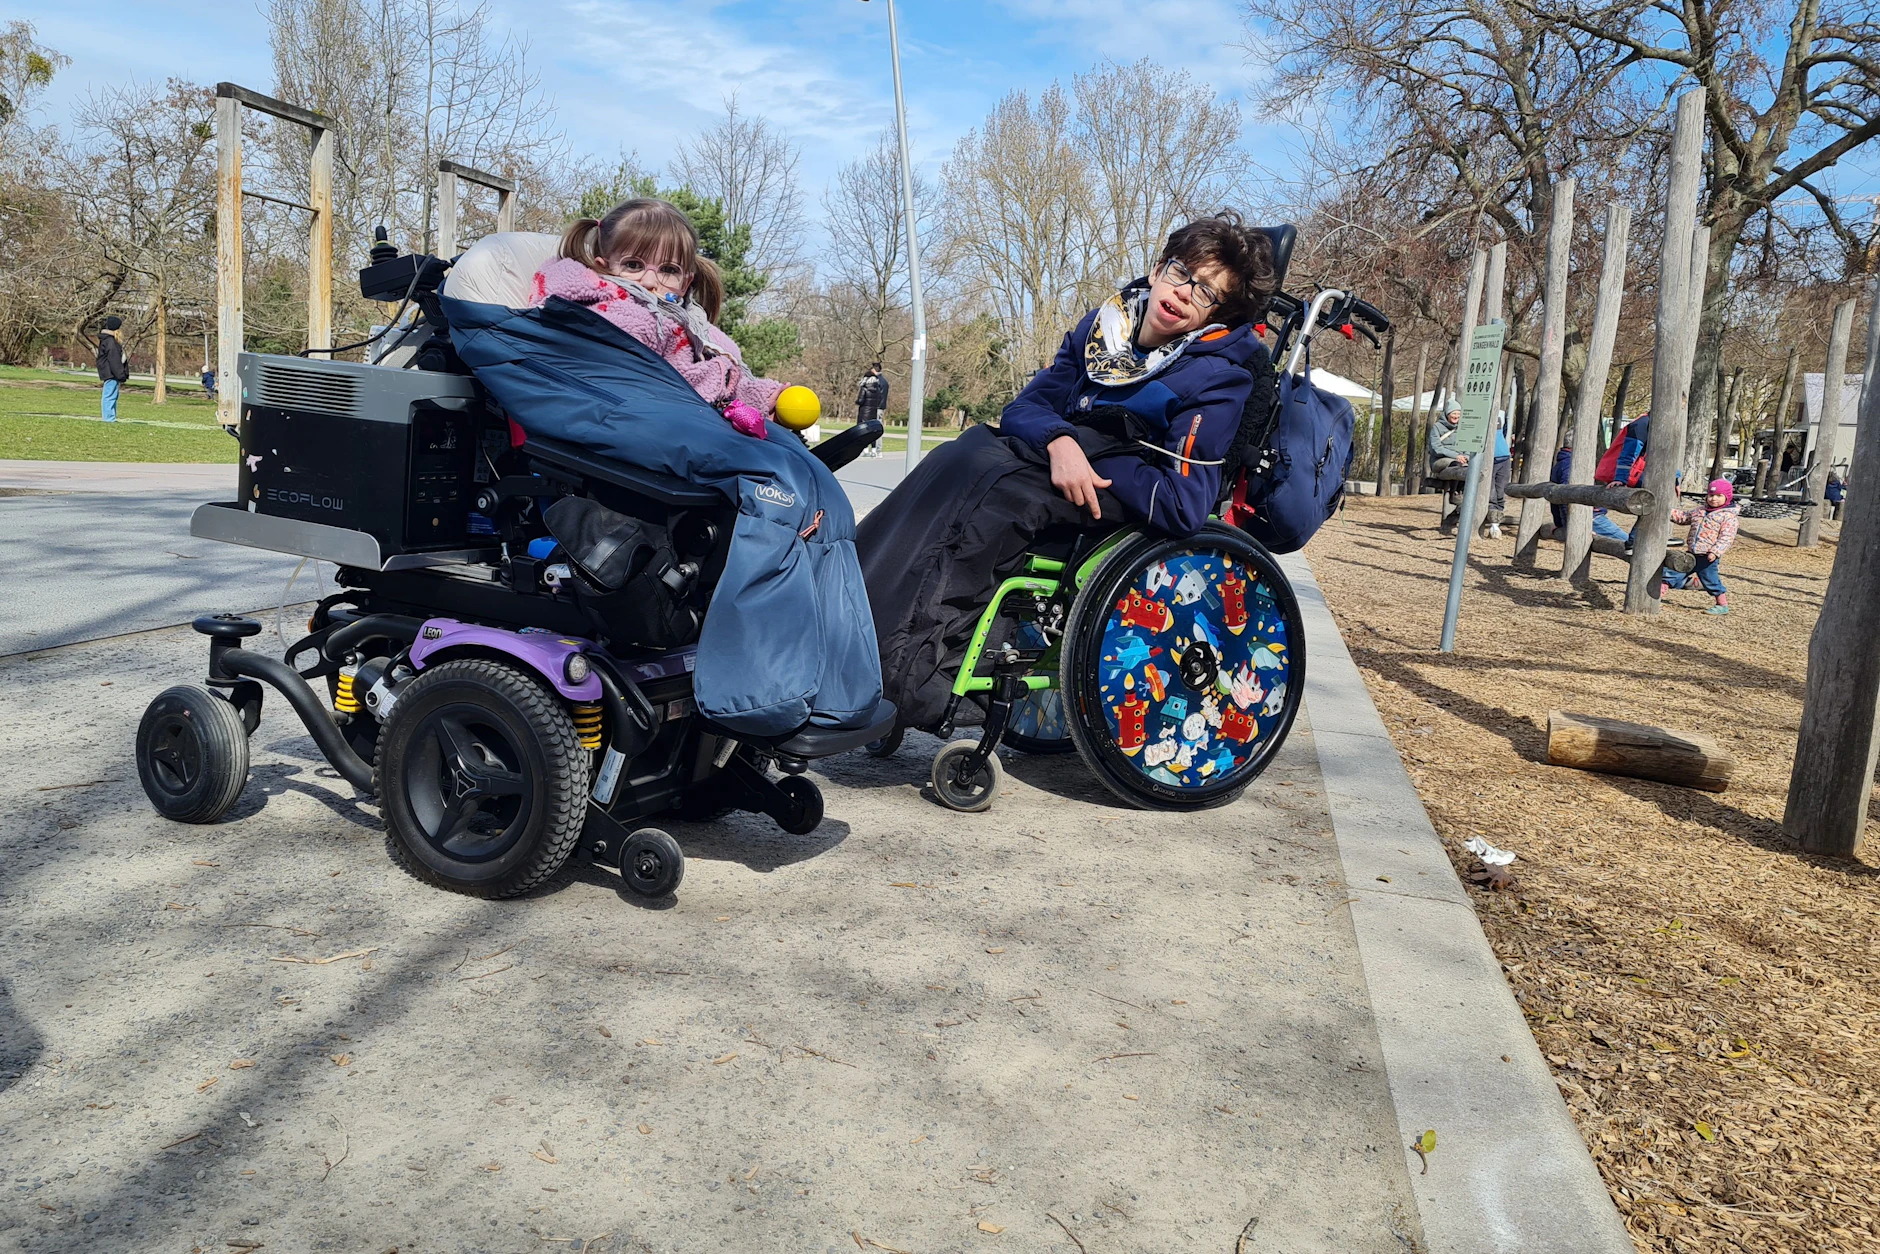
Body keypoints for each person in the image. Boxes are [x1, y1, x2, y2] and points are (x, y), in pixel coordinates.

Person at [857, 212, 1278, 733]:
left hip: (1116, 498)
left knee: (995, 493)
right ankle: (846, 627)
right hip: (1051, 462)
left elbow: (1183, 502)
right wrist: (1060, 441)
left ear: (1221, 314)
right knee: (961, 454)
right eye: (1180, 271)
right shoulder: (1103, 330)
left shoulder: (1220, 378)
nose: (1185, 291)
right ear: (1156, 268)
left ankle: (908, 675)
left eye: (1207, 292)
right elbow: (1026, 408)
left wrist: (1086, 453)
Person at [530, 198, 783, 437]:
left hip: (677, 426)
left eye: (669, 270)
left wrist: (764, 396)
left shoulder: (695, 328)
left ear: (685, 283)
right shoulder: (610, 312)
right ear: (603, 266)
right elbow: (685, 381)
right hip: (629, 429)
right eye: (633, 265)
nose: (650, 282)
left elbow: (725, 376)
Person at [1662, 478, 1741, 614]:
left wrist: (1715, 552)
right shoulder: (1700, 511)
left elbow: (1726, 538)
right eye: (1711, 495)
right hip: (1692, 553)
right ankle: (1656, 594)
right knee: (1673, 573)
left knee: (1711, 581)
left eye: (1718, 496)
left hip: (1708, 557)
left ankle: (1722, 604)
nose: (1713, 499)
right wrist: (1667, 511)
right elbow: (1683, 517)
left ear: (1727, 498)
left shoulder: (1728, 517)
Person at [96, 316, 129, 422]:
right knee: (109, 395)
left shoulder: (106, 340)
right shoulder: (111, 342)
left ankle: (110, 417)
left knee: (112, 395)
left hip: (109, 372)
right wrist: (120, 374)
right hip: (111, 373)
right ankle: (109, 418)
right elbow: (114, 360)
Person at [1486, 414, 1512, 538]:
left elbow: (1505, 431)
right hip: (1488, 458)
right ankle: (1493, 523)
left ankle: (1497, 519)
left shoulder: (1500, 415)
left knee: (1501, 491)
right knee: (1491, 493)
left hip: (1504, 457)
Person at [857, 363, 888, 457]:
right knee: (875, 427)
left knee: (874, 428)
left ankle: (877, 450)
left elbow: (862, 399)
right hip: (878, 407)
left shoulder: (876, 382)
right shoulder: (884, 382)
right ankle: (875, 450)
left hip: (875, 408)